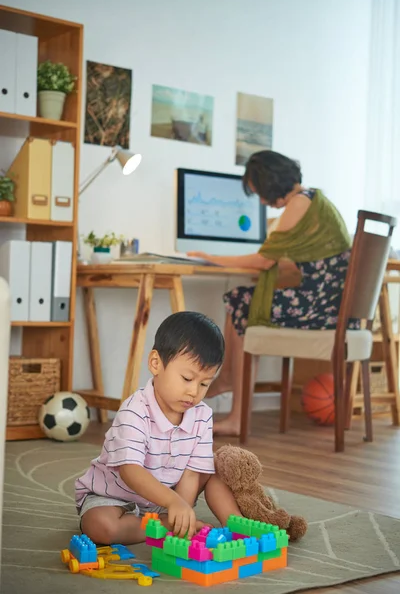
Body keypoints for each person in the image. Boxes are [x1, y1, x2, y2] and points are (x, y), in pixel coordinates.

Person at [188, 150, 356, 437]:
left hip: (322, 308)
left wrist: (212, 257)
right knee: (242, 299)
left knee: (241, 301)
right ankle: (228, 380)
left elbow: (265, 260)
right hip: (333, 304)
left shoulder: (299, 204)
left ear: (271, 183)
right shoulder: (315, 199)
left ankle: (235, 405)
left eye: (260, 192)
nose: (263, 201)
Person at [75, 311, 242, 545]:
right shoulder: (134, 410)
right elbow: (130, 471)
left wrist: (180, 506)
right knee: (101, 527)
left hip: (167, 499)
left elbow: (193, 473)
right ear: (156, 364)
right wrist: (175, 505)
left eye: (205, 383)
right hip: (115, 497)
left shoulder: (202, 415)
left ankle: (238, 525)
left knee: (216, 469)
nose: (194, 391)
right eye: (186, 378)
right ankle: (163, 527)